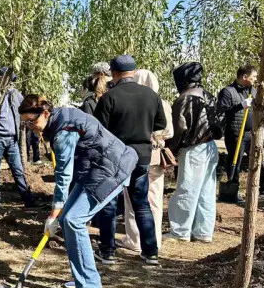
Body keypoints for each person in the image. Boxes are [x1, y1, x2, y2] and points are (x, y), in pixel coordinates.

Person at [19, 95, 136, 288]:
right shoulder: (57, 121)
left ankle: (91, 285)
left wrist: (54, 212)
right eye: (25, 123)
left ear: (45, 114)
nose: (29, 127)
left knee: (73, 220)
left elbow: (63, 174)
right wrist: (58, 216)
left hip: (112, 169)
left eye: (32, 121)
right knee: (67, 220)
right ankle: (81, 275)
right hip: (94, 170)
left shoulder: (64, 130)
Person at [94, 55, 165, 266]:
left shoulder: (109, 97)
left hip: (116, 157)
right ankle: (150, 252)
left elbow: (99, 130)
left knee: (109, 203)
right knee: (142, 204)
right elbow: (159, 123)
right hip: (141, 157)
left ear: (114, 73)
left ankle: (107, 251)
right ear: (133, 72)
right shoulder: (152, 96)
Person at [118, 69, 173, 253]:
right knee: (155, 201)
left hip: (137, 154)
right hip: (157, 156)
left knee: (133, 198)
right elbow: (170, 131)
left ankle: (134, 240)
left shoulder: (133, 100)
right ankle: (154, 238)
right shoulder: (163, 103)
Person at [165, 62, 220, 243]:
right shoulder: (209, 96)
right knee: (207, 190)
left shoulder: (185, 99)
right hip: (211, 147)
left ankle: (180, 232)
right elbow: (219, 125)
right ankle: (203, 232)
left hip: (194, 149)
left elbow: (179, 128)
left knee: (187, 189)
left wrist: (171, 148)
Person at [0, 70, 34, 208]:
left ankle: (28, 201)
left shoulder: (15, 94)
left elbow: (25, 108)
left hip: (12, 140)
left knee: (18, 171)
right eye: (6, 79)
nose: (9, 83)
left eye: (11, 80)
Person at [217, 64, 257, 203]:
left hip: (252, 134)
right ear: (245, 77)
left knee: (258, 161)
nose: (255, 79)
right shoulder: (228, 91)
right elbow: (221, 111)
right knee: (235, 162)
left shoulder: (253, 90)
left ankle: (260, 188)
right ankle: (232, 190)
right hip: (235, 133)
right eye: (253, 77)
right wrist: (241, 105)